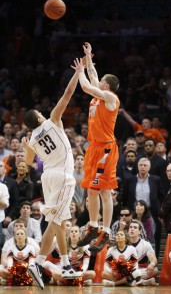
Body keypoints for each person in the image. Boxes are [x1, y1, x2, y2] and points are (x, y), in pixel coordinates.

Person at [21, 69, 83, 289]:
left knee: (57, 222)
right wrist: (78, 73)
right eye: (40, 113)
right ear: (39, 117)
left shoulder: (31, 139)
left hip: (47, 177)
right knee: (58, 222)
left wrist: (27, 144)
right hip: (62, 177)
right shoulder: (53, 120)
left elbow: (28, 162)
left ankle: (51, 263)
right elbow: (67, 94)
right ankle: (50, 263)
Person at [72, 42, 120, 253]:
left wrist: (79, 71)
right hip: (93, 148)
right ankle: (93, 226)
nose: (98, 81)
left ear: (107, 86)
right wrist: (89, 56)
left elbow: (85, 85)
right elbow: (93, 76)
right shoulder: (99, 95)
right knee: (91, 191)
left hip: (106, 150)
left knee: (104, 192)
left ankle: (106, 232)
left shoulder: (110, 98)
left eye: (101, 81)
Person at [128, 220, 158, 286]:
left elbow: (154, 259)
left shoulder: (146, 244)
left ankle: (130, 281)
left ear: (140, 232)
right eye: (130, 227)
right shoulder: (124, 242)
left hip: (140, 270)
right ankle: (143, 282)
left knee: (155, 270)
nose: (132, 229)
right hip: (127, 270)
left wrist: (152, 264)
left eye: (135, 227)